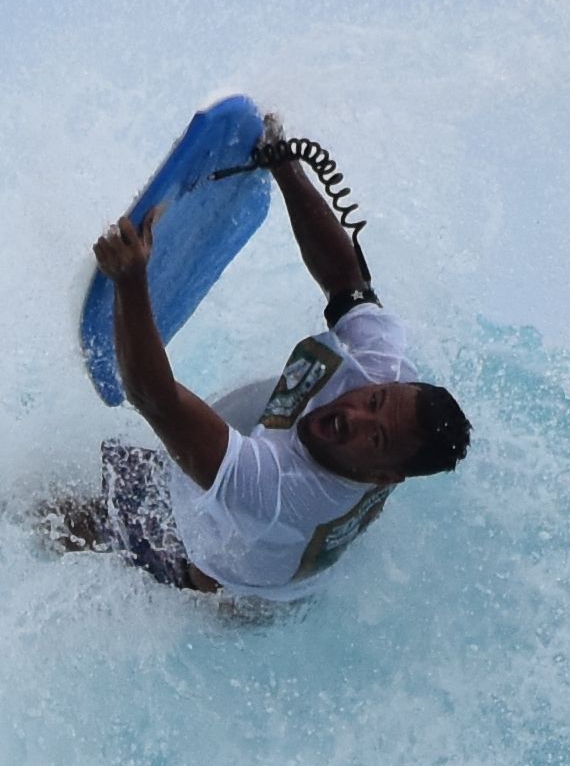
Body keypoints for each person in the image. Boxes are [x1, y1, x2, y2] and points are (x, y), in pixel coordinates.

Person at [62, 133, 474, 595]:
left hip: (204, 557)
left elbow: (153, 398)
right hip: (291, 552)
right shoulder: (384, 365)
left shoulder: (277, 494)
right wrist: (286, 167)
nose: (355, 414)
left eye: (374, 436)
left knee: (37, 512)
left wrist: (131, 281)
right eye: (374, 400)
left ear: (384, 476)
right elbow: (345, 281)